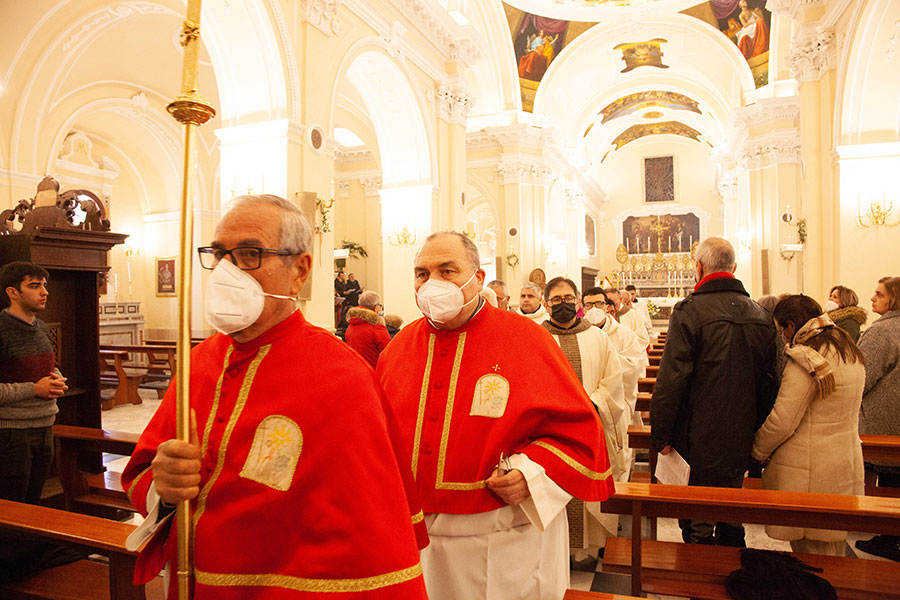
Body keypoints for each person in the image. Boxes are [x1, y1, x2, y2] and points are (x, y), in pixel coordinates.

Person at [121, 195, 428, 598]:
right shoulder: (200, 362)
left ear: (299, 270)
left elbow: (368, 536)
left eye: (249, 253)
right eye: (218, 254)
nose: (227, 270)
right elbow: (147, 471)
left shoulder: (343, 377)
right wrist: (164, 485)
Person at [377, 232, 614, 600]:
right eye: (422, 273)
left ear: (478, 278)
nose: (432, 283)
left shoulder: (526, 339)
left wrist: (531, 474)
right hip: (415, 541)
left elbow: (578, 432)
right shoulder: (398, 349)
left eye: (447, 270)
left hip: (504, 542)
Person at [651, 237, 778, 547]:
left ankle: (701, 584)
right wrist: (757, 431)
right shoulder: (761, 315)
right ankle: (733, 578)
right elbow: (770, 382)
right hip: (743, 433)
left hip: (696, 435)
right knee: (731, 509)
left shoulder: (690, 311)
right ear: (734, 268)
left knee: (697, 515)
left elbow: (672, 380)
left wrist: (661, 434)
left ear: (698, 267)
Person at [752, 295, 865, 556]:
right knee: (832, 545)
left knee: (811, 552)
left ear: (792, 325)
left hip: (810, 468)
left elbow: (783, 420)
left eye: (782, 329)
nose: (782, 335)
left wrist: (757, 451)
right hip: (843, 460)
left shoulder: (808, 358)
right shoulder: (845, 346)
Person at [540, 277, 628, 568]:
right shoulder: (536, 337)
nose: (562, 304)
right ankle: (555, 553)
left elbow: (614, 380)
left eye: (567, 298)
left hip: (590, 424)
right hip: (549, 431)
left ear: (577, 301)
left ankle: (587, 549)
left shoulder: (597, 337)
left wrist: (593, 405)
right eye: (555, 299)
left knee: (585, 492)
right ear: (546, 302)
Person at [0, 261, 69, 580]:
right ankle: (11, 574)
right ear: (12, 292)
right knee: (11, 508)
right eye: (34, 286)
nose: (44, 292)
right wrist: (35, 388)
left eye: (44, 285)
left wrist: (56, 379)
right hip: (12, 433)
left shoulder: (41, 327)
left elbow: (45, 369)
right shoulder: (1, 329)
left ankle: (28, 568)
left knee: (34, 503)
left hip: (44, 425)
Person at [855, 276, 900, 561]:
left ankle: (889, 535)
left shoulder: (883, 332)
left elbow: (862, 375)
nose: (872, 298)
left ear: (893, 299)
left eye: (879, 294)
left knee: (890, 479)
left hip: (884, 419)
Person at [584, 287, 646, 426]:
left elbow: (633, 364)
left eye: (599, 303)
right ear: (583, 308)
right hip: (585, 402)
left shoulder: (625, 334)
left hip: (617, 401)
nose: (594, 308)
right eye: (588, 305)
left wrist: (602, 364)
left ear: (607, 307)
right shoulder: (578, 334)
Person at [345, 290, 391, 368]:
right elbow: (389, 353)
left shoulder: (351, 326)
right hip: (374, 373)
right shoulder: (377, 328)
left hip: (358, 371)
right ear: (376, 308)